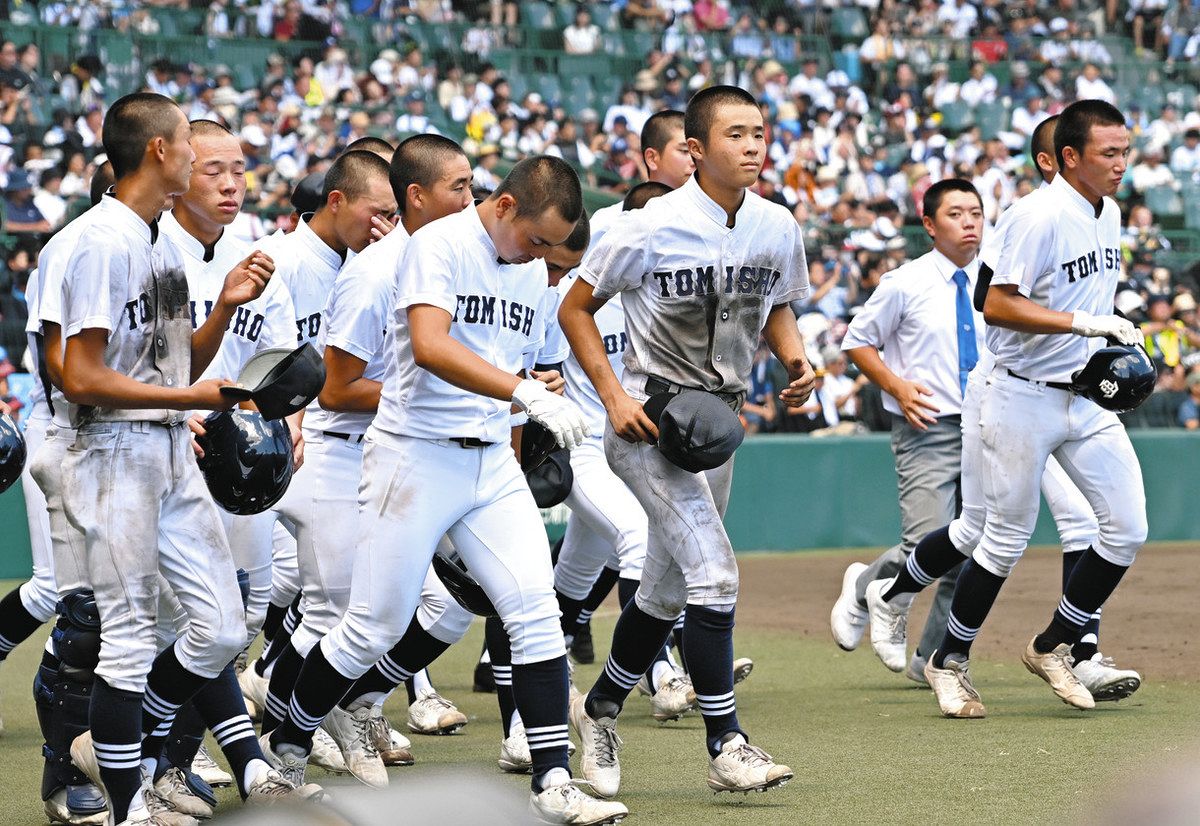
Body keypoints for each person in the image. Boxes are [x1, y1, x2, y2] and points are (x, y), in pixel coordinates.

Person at [259, 156, 627, 825]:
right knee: (372, 626)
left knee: (535, 612)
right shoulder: (440, 243)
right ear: (507, 206)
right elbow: (429, 345)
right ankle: (286, 748)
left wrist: (531, 395)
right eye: (537, 240)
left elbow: (520, 364)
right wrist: (518, 389)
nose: (543, 258)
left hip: (488, 461)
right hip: (413, 457)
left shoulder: (533, 270)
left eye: (553, 248)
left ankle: (552, 781)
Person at [559, 86, 813, 798]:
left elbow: (780, 306)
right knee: (716, 575)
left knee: (668, 592)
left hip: (719, 424)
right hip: (650, 421)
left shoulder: (775, 224)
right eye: (736, 134)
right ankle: (725, 742)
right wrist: (612, 396)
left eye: (760, 132)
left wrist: (796, 362)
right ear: (695, 150)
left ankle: (601, 707)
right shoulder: (647, 225)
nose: (755, 145)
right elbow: (575, 306)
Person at [54, 92, 280, 826]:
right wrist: (188, 401)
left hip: (166, 447)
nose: (197, 155)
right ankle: (131, 809)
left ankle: (124, 744)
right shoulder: (99, 242)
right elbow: (79, 376)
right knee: (126, 638)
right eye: (189, 144)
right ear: (159, 151)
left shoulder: (156, 241)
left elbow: (180, 367)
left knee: (218, 629)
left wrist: (223, 312)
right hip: (112, 451)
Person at [896, 99, 1147, 718]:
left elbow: (1087, 296)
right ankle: (948, 660)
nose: (1121, 164)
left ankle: (1053, 645)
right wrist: (1089, 322)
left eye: (1125, 150)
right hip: (1016, 392)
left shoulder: (1108, 211)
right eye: (1107, 152)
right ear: (1069, 157)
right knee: (1002, 537)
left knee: (1127, 526)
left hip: (1080, 393)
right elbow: (999, 305)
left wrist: (1110, 334)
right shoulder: (1035, 216)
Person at [255, 135, 472, 784]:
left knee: (425, 607)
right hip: (330, 451)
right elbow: (329, 385)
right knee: (327, 610)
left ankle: (339, 706)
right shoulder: (347, 269)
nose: (380, 224)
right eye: (374, 210)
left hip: (395, 454)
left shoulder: (433, 264)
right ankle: (279, 730)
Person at [152, 119, 320, 816]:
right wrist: (222, 308)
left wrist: (292, 419)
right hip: (171, 454)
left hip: (242, 463)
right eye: (213, 168)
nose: (230, 182)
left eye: (240, 169)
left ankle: (183, 759)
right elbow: (161, 370)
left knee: (244, 611)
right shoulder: (154, 254)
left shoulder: (253, 255)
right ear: (178, 172)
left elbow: (278, 363)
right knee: (180, 622)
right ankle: (151, 761)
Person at [830, 179, 985, 680]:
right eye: (957, 213)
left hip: (986, 428)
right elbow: (856, 343)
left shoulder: (998, 283)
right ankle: (862, 589)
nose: (969, 222)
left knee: (972, 546)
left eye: (977, 213)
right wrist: (896, 386)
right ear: (929, 225)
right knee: (929, 542)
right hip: (928, 426)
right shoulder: (905, 282)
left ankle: (933, 660)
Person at [556, 110, 694, 668]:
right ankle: (657, 670)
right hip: (587, 439)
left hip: (641, 441)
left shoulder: (683, 266)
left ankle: (526, 656)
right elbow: (546, 335)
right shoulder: (597, 245)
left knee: (581, 563)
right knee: (643, 538)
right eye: (686, 149)